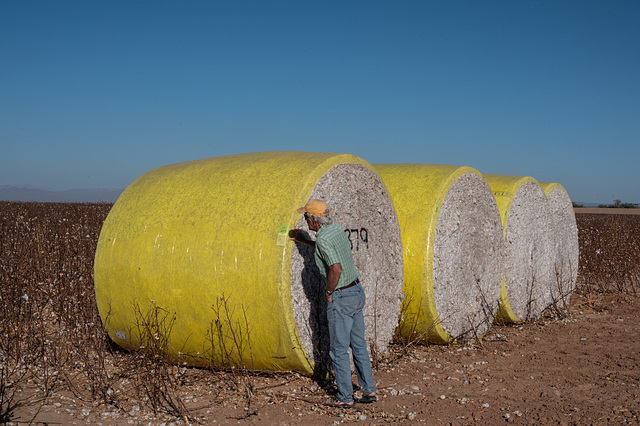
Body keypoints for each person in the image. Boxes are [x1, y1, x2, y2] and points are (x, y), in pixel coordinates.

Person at [291, 199, 378, 408]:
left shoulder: (323, 240)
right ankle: (369, 389)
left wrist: (329, 291)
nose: (305, 221)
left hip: (341, 296)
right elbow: (327, 248)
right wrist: (305, 241)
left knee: (338, 349)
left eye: (306, 218)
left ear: (314, 220)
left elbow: (335, 268)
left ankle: (345, 397)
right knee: (358, 344)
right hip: (357, 291)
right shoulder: (337, 230)